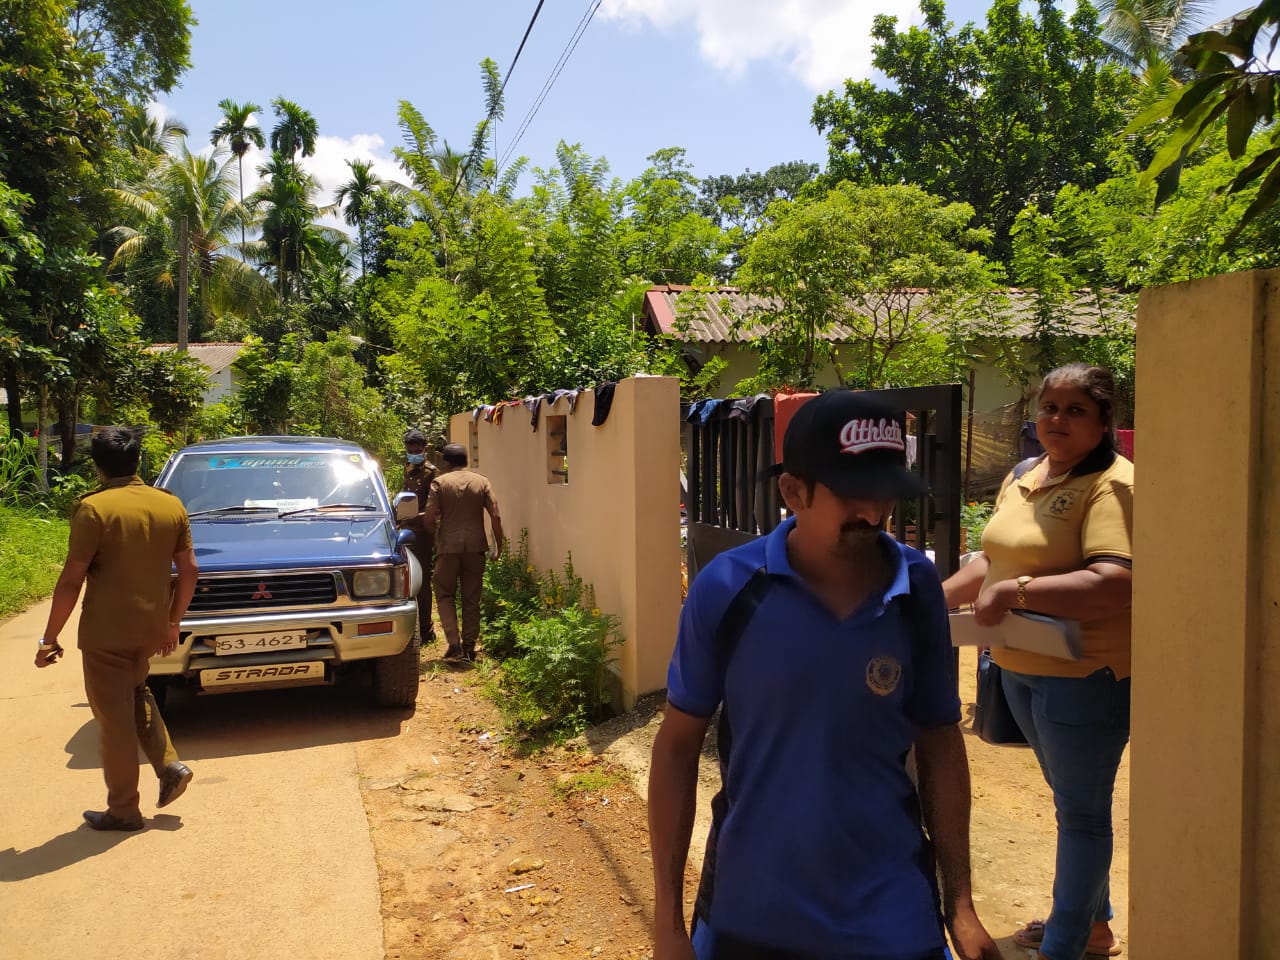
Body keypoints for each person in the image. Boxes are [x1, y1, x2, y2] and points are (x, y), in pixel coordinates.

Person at [650, 390, 1000, 960]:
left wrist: (960, 904)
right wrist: (667, 923)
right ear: (794, 491)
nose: (873, 511)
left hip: (890, 911)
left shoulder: (915, 591)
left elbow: (939, 741)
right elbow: (676, 748)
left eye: (884, 492)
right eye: (851, 494)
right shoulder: (729, 589)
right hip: (752, 908)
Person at [942, 363, 1134, 960]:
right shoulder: (1026, 472)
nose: (1058, 419)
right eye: (1050, 407)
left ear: (1106, 421)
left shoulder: (1114, 485)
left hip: (1085, 676)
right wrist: (927, 602)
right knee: (1069, 803)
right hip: (1019, 667)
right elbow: (990, 561)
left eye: (1076, 410)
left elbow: (1114, 582)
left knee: (1082, 816)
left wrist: (1015, 592)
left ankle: (1067, 944)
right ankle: (1094, 926)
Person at [34, 426, 198, 832]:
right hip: (151, 629)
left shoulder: (94, 509)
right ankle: (169, 766)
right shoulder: (169, 505)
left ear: (98, 466)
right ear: (138, 460)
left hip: (106, 634)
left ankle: (124, 810)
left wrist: (49, 637)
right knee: (136, 691)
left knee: (114, 723)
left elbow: (72, 579)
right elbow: (190, 570)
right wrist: (173, 622)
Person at [422, 442, 504, 662]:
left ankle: (454, 643)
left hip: (448, 547)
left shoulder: (439, 483)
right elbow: (495, 516)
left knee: (444, 593)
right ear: (466, 461)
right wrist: (499, 547)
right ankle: (469, 648)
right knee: (471, 599)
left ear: (446, 462)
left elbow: (429, 517)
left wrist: (435, 536)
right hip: (476, 548)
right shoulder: (482, 482)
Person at [400, 428, 438, 644]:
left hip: (422, 533)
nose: (413, 453)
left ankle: (426, 629)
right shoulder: (408, 467)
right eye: (409, 450)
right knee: (407, 579)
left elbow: (434, 507)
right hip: (406, 530)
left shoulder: (431, 473)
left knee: (422, 581)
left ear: (426, 448)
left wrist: (413, 515)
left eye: (417, 450)